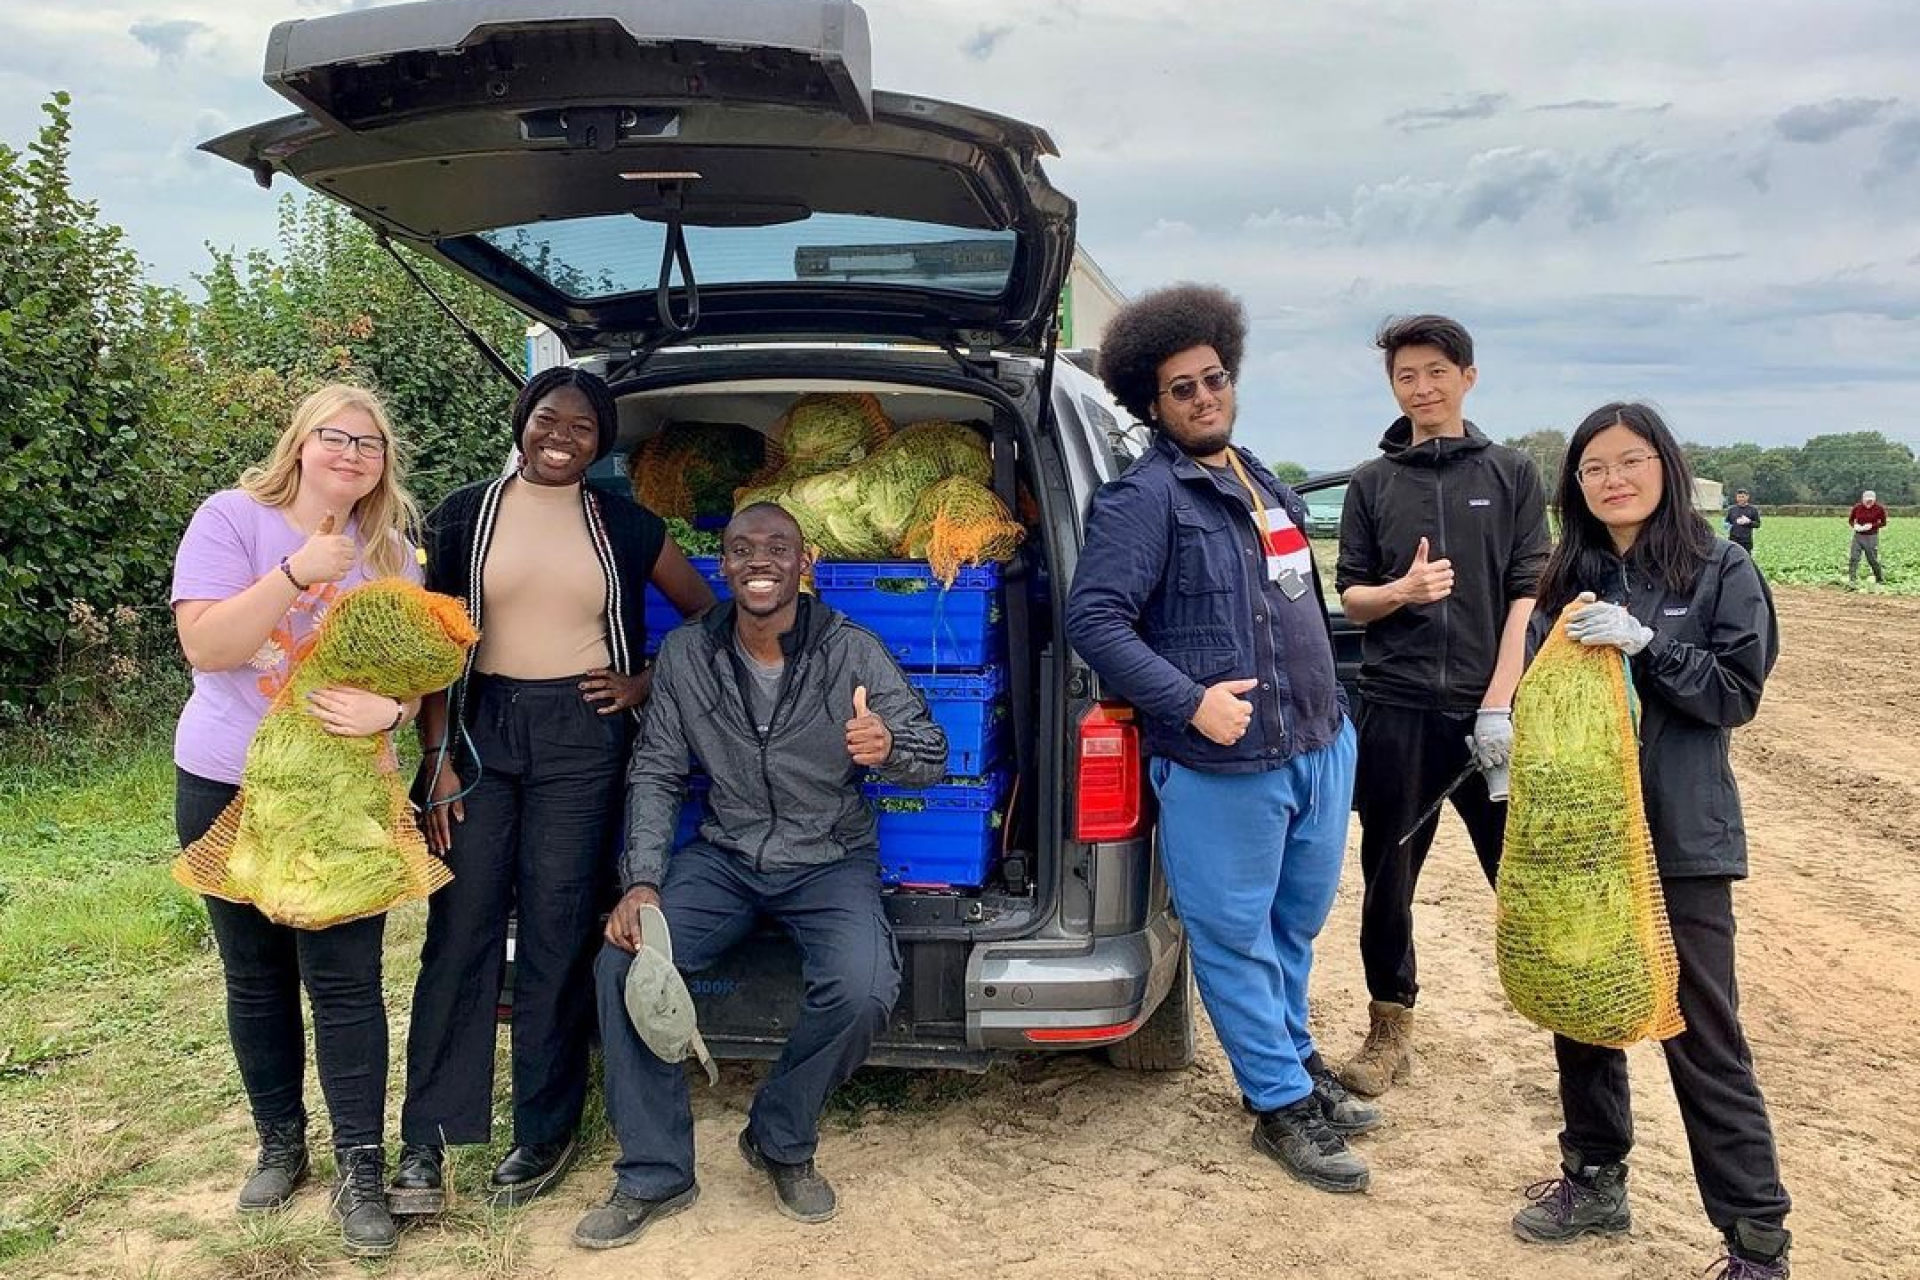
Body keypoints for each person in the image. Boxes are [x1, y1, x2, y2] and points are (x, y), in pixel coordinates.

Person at [1065, 284, 1374, 1195]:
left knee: (1293, 926)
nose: (1203, 398)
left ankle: (1298, 1057)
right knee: (1235, 937)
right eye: (1181, 390)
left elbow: (1290, 602)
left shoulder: (1261, 478)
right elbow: (1097, 619)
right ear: (1151, 405)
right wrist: (1189, 701)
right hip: (1224, 763)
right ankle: (1279, 1107)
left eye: (1213, 380)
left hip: (1316, 745)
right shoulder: (1144, 499)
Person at [572, 502, 947, 1250]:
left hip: (830, 856)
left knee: (864, 984)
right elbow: (655, 772)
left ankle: (778, 1136)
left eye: (777, 547)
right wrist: (642, 881)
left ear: (804, 564)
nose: (760, 561)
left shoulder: (851, 650)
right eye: (743, 549)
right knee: (623, 965)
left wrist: (888, 746)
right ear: (726, 565)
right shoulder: (686, 654)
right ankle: (655, 1171)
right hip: (728, 854)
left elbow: (930, 749)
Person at [391, 367, 715, 1215]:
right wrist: (436, 755)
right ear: (522, 423)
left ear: (599, 440)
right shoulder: (464, 513)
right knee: (459, 926)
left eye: (580, 425)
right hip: (480, 731)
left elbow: (705, 612)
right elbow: (434, 644)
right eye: (547, 419)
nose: (561, 435)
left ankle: (544, 1128)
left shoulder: (626, 523)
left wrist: (644, 682)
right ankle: (426, 1139)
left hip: (584, 734)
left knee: (558, 927)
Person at [1511, 402, 1791, 1279]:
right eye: (1593, 469)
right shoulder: (1571, 577)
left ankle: (1756, 1240)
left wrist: (1648, 649)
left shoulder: (1720, 569)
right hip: (1584, 842)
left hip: (1681, 838)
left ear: (1664, 466)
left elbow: (1735, 695)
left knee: (1703, 1033)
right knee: (1579, 1011)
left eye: (1629, 462)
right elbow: (1539, 688)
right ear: (1576, 486)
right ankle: (1594, 1178)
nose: (1612, 480)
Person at [170, 383, 423, 1257]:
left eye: (371, 443)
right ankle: (281, 1143)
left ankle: (360, 1166)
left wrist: (392, 714)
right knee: (256, 974)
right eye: (336, 436)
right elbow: (208, 647)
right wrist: (293, 576)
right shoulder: (231, 519)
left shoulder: (391, 550)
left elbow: (419, 670)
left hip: (345, 796)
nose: (353, 453)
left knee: (347, 983)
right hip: (230, 781)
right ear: (301, 442)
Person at [1333, 314, 1550, 1098]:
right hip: (1396, 708)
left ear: (1467, 376)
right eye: (1405, 376)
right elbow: (1351, 596)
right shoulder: (1374, 481)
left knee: (1524, 876)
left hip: (1489, 717)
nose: (1421, 387)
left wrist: (1500, 704)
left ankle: (1574, 1031)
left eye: (1435, 372)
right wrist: (1402, 592)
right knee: (1386, 874)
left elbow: (1530, 589)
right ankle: (1390, 1029)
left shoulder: (1512, 474)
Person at [1848, 489, 1887, 586]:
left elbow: (1883, 523)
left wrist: (1871, 526)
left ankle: (1879, 579)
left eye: (1871, 500)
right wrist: (1855, 526)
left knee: (1872, 559)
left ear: (1874, 500)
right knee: (1854, 557)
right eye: (1867, 500)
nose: (1869, 502)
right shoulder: (1857, 508)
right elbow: (1851, 520)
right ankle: (1852, 579)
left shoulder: (1879, 509)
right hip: (1858, 536)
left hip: (1871, 536)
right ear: (1863, 499)